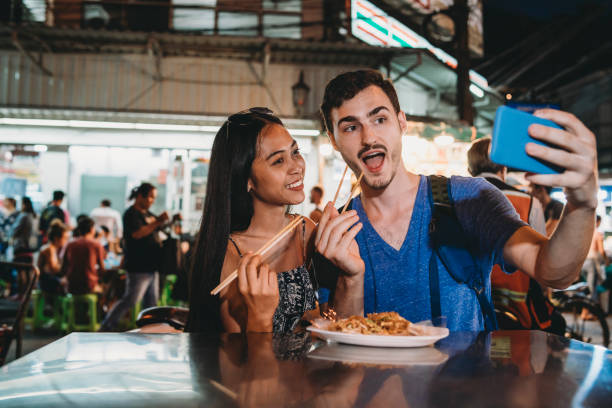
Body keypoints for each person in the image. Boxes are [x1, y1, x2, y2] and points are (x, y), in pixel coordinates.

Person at [315, 70, 598, 331]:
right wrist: (350, 279)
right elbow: (341, 341)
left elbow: (553, 272)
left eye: (379, 119)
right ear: (333, 140)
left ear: (402, 122)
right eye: (351, 127)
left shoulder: (469, 199)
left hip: (465, 385)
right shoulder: (335, 235)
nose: (369, 138)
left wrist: (582, 206)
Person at [186, 107, 317, 334]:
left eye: (295, 152)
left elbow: (329, 315)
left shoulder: (306, 231)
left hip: (309, 368)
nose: (297, 167)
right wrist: (259, 316)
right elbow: (235, 357)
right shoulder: (230, 253)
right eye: (278, 161)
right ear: (247, 180)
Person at [467, 137, 564, 335]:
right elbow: (542, 258)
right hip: (519, 310)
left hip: (471, 309)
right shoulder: (528, 202)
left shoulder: (456, 198)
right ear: (503, 169)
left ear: (470, 170)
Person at [99, 183, 167, 331]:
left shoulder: (148, 215)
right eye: (150, 197)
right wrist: (157, 222)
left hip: (152, 266)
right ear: (140, 196)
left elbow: (158, 230)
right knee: (131, 299)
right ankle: (107, 325)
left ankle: (150, 330)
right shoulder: (131, 214)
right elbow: (137, 234)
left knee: (151, 303)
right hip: (138, 266)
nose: (152, 201)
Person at [62, 217, 106, 295]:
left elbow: (64, 267)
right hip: (89, 286)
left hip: (71, 286)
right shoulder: (96, 245)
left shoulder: (70, 244)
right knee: (108, 287)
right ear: (92, 229)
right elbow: (102, 269)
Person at [581, 215, 608, 316]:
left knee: (587, 288)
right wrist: (606, 260)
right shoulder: (598, 234)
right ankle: (586, 313)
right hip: (592, 262)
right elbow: (601, 250)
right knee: (592, 289)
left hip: (583, 263)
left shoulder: (585, 233)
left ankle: (585, 312)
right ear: (598, 222)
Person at [37, 220, 70, 295]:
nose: (66, 241)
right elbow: (54, 269)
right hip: (46, 282)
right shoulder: (49, 249)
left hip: (48, 279)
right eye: (65, 238)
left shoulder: (53, 249)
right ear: (56, 238)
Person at [9, 197, 37, 264]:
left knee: (20, 268)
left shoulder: (23, 216)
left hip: (21, 246)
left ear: (24, 205)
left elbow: (15, 230)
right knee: (27, 268)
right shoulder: (34, 216)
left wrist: (10, 236)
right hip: (31, 246)